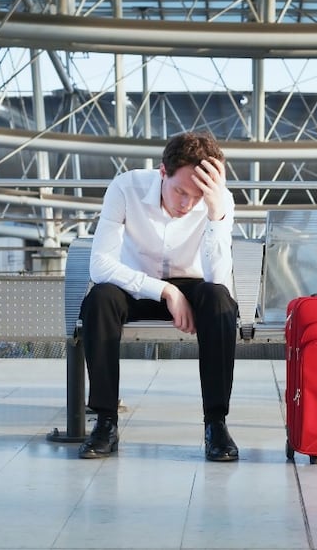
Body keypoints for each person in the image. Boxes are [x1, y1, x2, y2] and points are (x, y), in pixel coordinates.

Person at [78, 131, 239, 461]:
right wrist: (166, 291)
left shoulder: (217, 200)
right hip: (136, 285)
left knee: (219, 300)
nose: (186, 204)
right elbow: (100, 265)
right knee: (100, 299)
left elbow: (218, 279)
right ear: (162, 171)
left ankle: (216, 425)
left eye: (195, 197)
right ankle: (105, 422)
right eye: (180, 191)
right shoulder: (126, 187)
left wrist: (215, 213)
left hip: (195, 288)